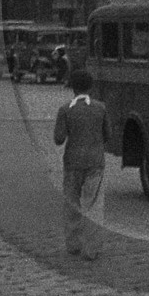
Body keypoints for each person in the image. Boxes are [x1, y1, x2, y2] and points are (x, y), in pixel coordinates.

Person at [53, 69, 110, 261]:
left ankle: (73, 244)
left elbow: (58, 139)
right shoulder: (101, 108)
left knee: (72, 203)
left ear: (72, 88)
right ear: (91, 87)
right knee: (93, 205)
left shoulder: (65, 109)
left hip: (72, 163)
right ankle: (91, 249)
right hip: (95, 162)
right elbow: (108, 135)